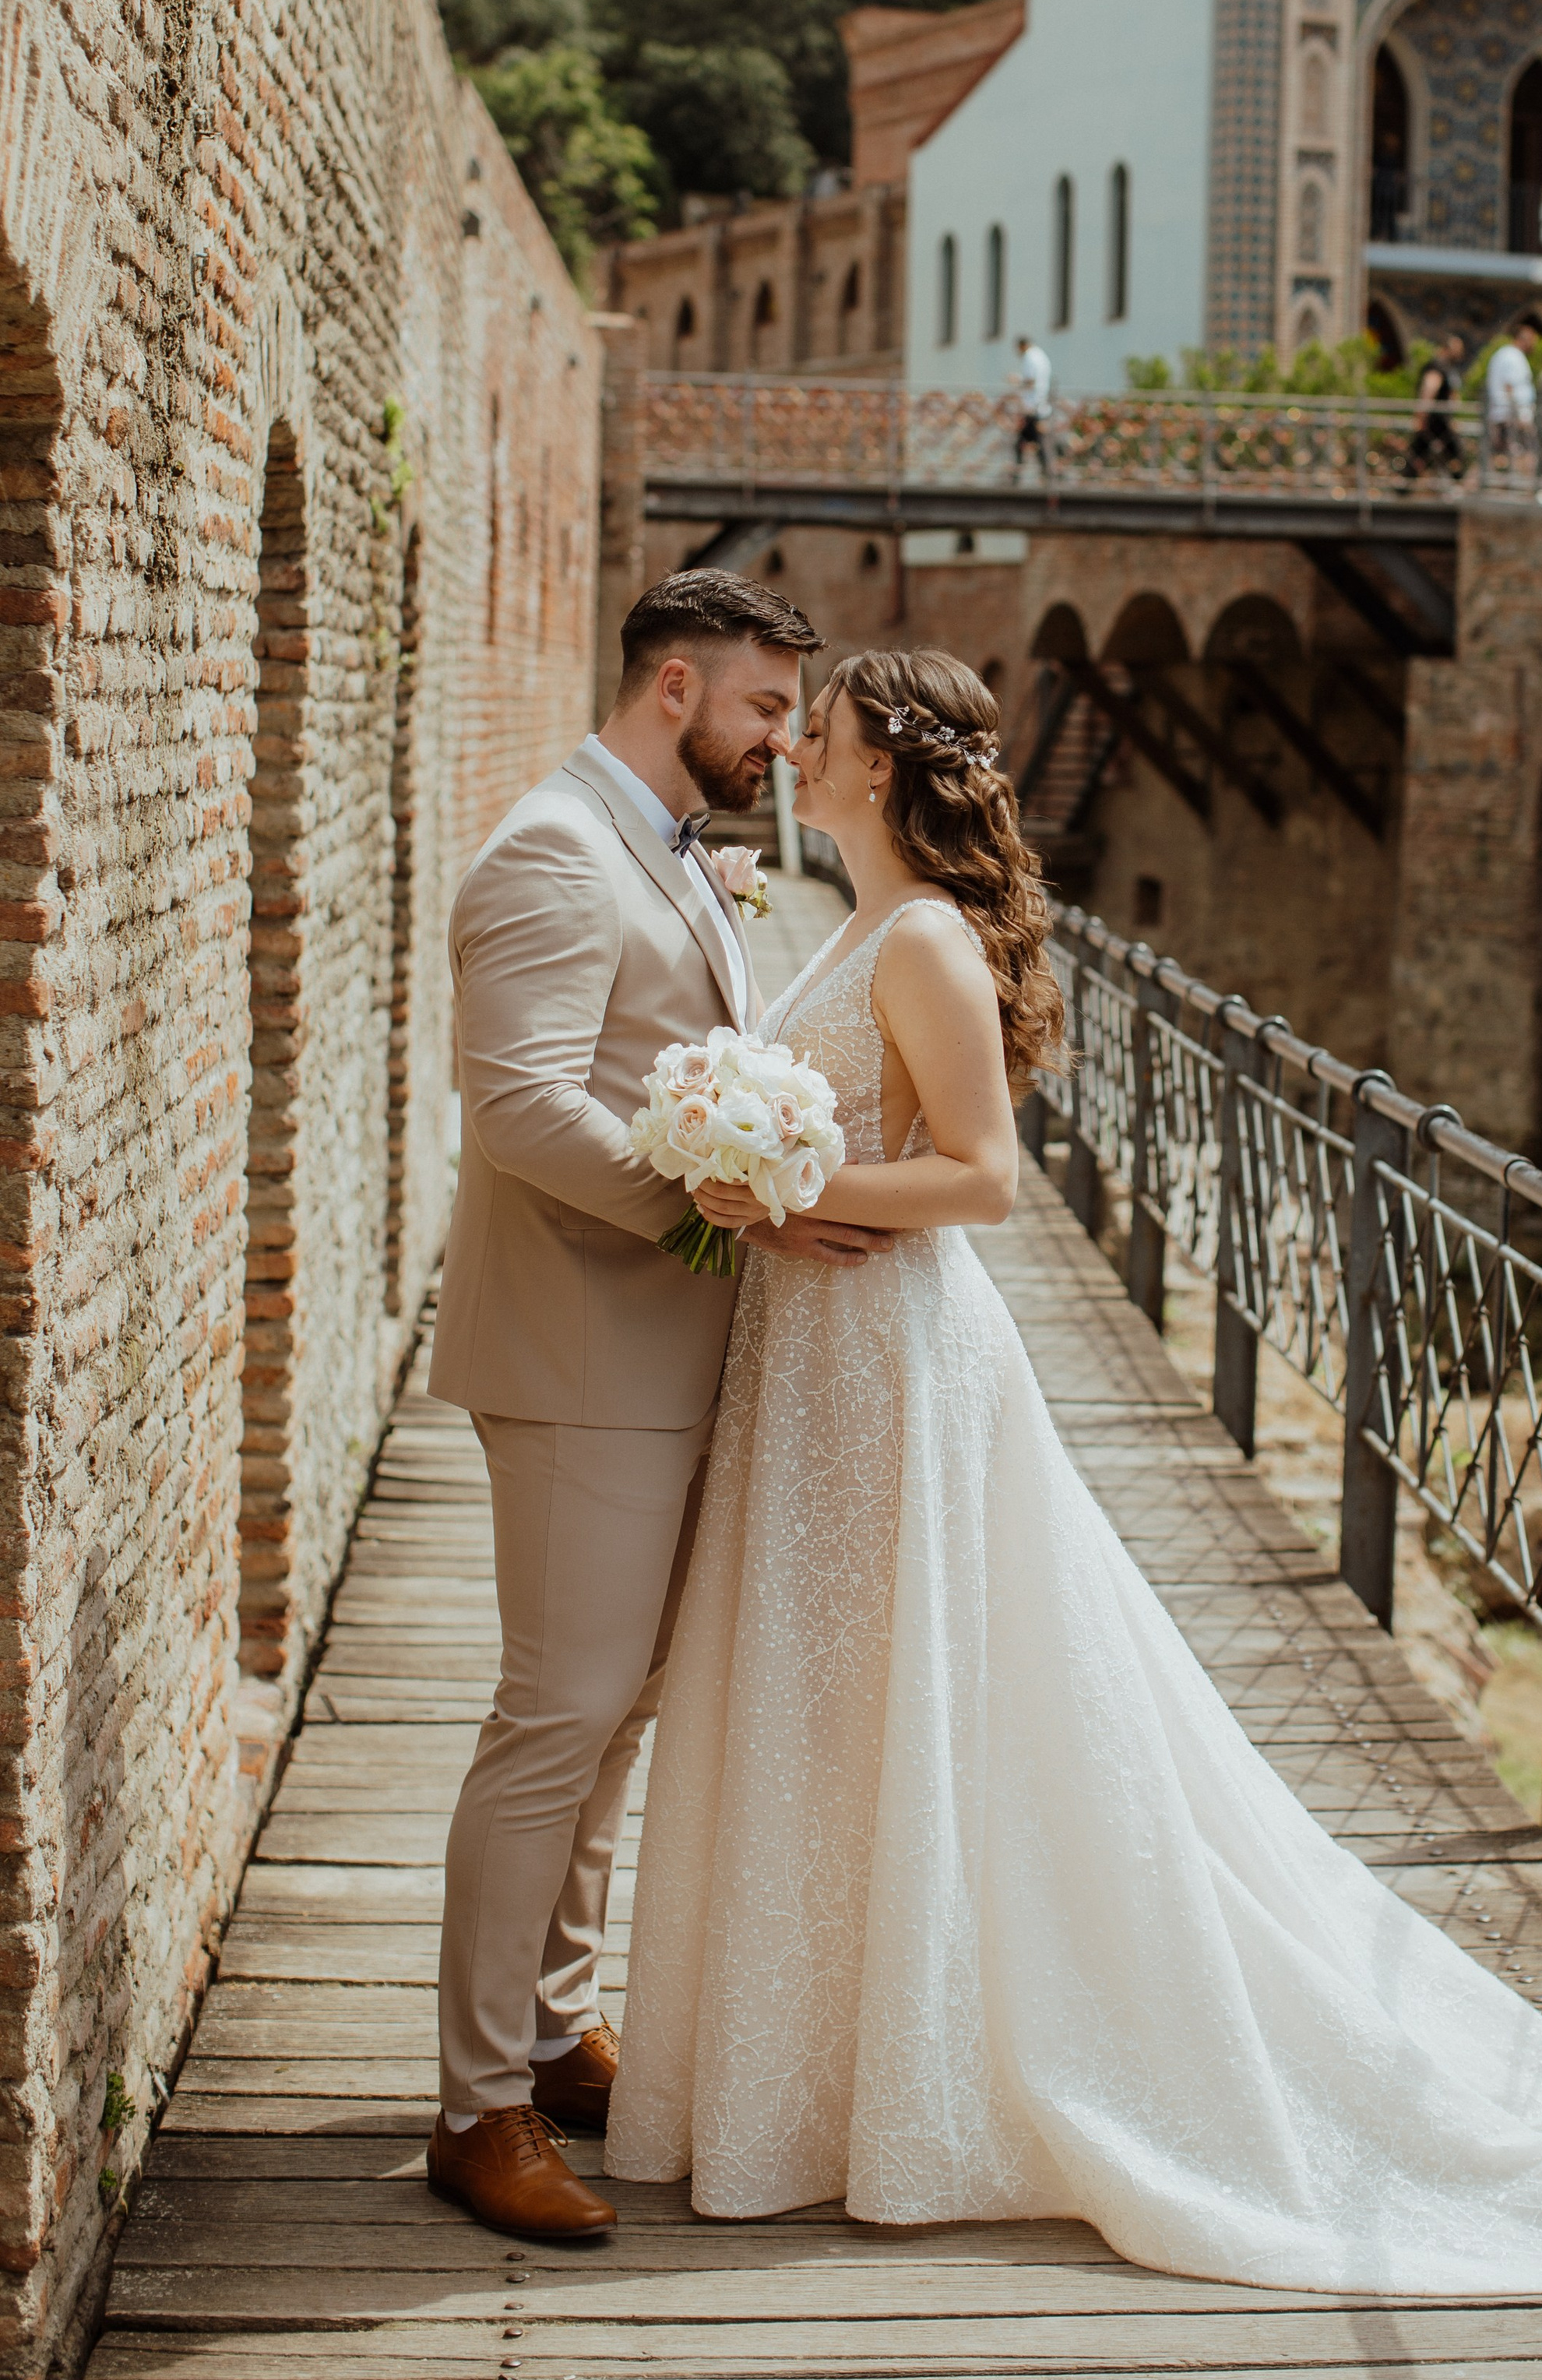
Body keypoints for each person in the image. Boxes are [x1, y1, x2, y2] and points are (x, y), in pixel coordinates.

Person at [602, 645, 1542, 2295]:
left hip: (891, 1365)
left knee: (918, 1694)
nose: (793, 749)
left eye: (822, 733)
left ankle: (910, 2082)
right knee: (831, 1701)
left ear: (881, 765)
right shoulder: (872, 926)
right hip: (811, 1359)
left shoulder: (930, 943)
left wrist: (787, 1191)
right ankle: (809, 2079)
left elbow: (980, 1184)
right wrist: (770, 1188)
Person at [424, 570, 891, 2243]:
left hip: (663, 1349)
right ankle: (474, 2104)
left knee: (612, 1712)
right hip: (576, 1355)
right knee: (555, 1715)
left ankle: (549, 2032)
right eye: (766, 711)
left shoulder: (664, 845)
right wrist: (730, 1207)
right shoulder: (552, 850)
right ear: (676, 684)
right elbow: (525, 1111)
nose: (781, 742)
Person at [1484, 323, 1539, 474]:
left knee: (1500, 458)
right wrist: (1521, 416)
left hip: (1505, 416)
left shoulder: (1506, 354)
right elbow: (1510, 388)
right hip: (1510, 418)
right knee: (1519, 457)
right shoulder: (1513, 357)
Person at [1403, 337, 1461, 479]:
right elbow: (1429, 390)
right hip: (1435, 422)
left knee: (1420, 455)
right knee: (1454, 455)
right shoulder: (1437, 366)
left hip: (1441, 421)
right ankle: (1402, 487)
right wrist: (1421, 416)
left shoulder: (1447, 368)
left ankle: (1404, 484)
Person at [1009, 333, 1054, 473]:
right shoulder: (1041, 356)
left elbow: (1030, 381)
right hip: (1040, 405)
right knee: (1035, 442)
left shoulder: (1030, 357)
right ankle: (1046, 474)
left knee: (1031, 442)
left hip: (1033, 407)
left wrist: (1017, 381)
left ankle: (1022, 474)